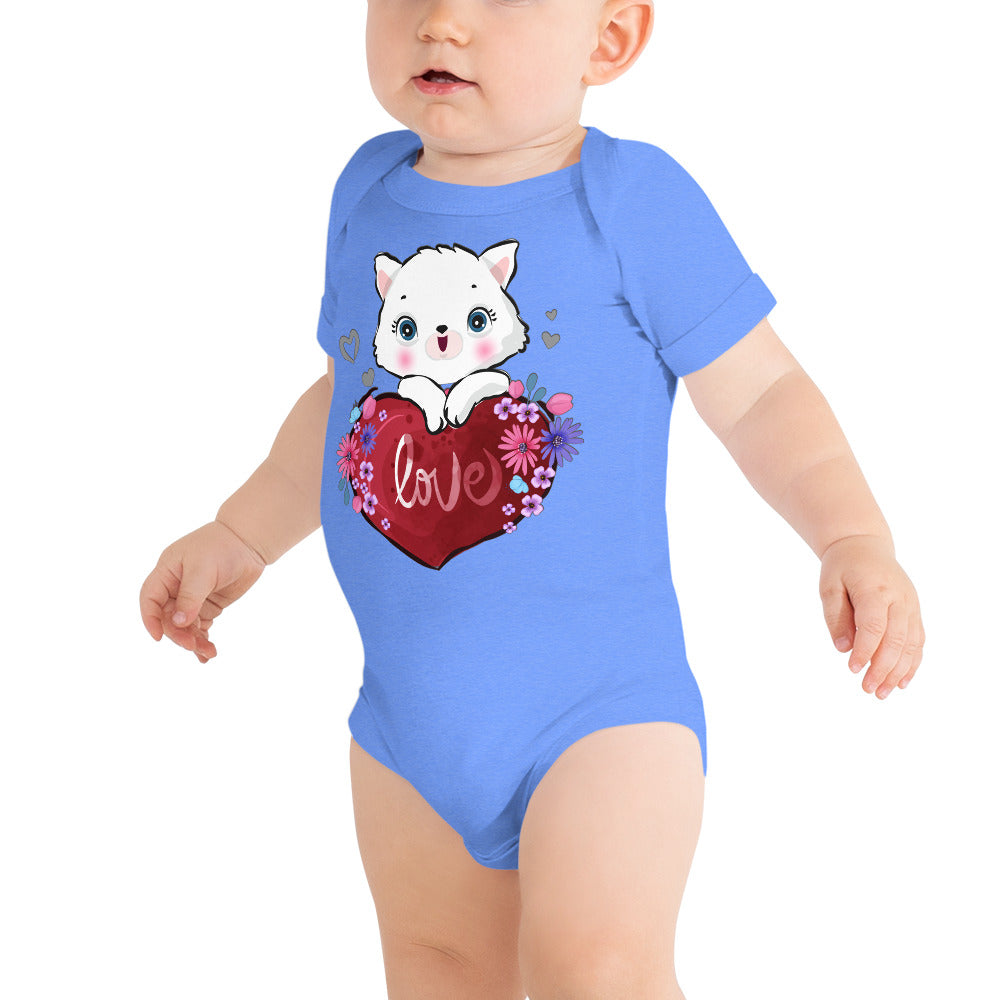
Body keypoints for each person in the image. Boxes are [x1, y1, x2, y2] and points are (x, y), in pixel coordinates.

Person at [139, 1, 925, 997]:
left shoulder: (630, 201)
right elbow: (349, 402)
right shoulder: (367, 191)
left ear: (609, 39)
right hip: (408, 723)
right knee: (438, 971)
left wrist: (850, 533)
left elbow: (762, 392)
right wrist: (241, 531)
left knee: (597, 973)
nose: (442, 21)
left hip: (601, 714)